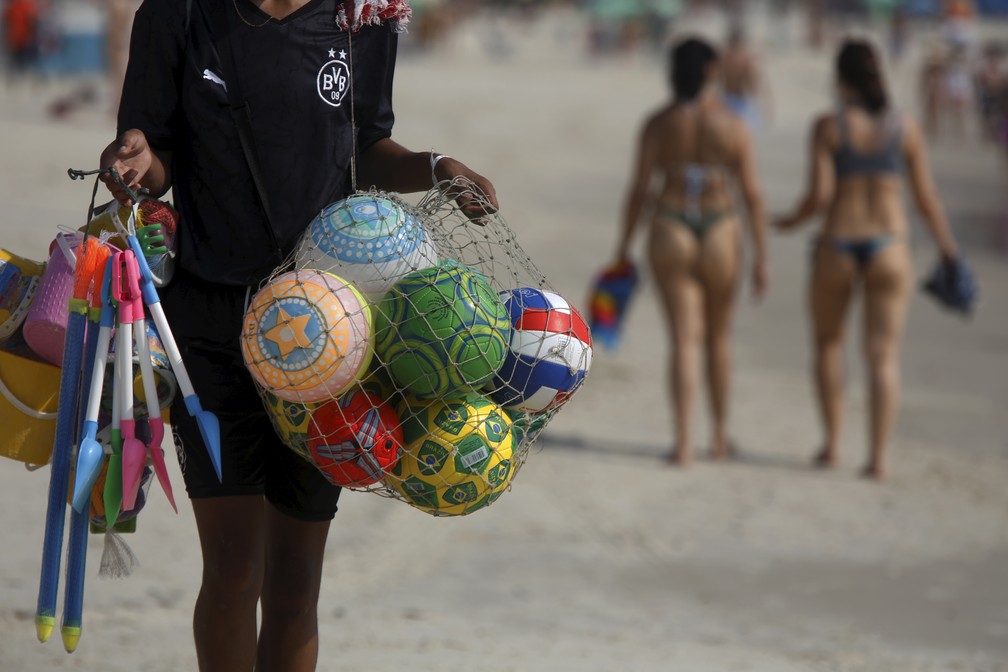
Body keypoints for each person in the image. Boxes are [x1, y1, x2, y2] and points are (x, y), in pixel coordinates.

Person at [97, 1, 496, 670]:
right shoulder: (178, 14)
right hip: (211, 329)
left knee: (294, 585)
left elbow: (366, 147)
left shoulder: (361, 17)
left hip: (331, 335)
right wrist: (134, 160)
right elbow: (155, 154)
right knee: (230, 574)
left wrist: (436, 167)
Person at [775, 38, 961, 481]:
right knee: (883, 356)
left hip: (838, 242)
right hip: (891, 246)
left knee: (828, 344)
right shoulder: (906, 128)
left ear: (841, 79)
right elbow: (926, 198)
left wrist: (788, 222)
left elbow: (819, 196)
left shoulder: (829, 126)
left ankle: (832, 445)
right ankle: (878, 459)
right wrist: (949, 251)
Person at [613, 36, 767, 465]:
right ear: (711, 71)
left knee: (684, 339)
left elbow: (639, 191)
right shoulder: (732, 124)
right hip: (721, 226)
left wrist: (623, 247)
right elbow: (752, 194)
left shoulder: (658, 123)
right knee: (718, 336)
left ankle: (683, 444)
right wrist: (763, 258)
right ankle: (718, 437)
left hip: (670, 223)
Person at [719, 22, 769, 131]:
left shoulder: (724, 57)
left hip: (726, 99)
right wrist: (764, 104)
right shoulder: (747, 58)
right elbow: (755, 82)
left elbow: (715, 80)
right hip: (742, 101)